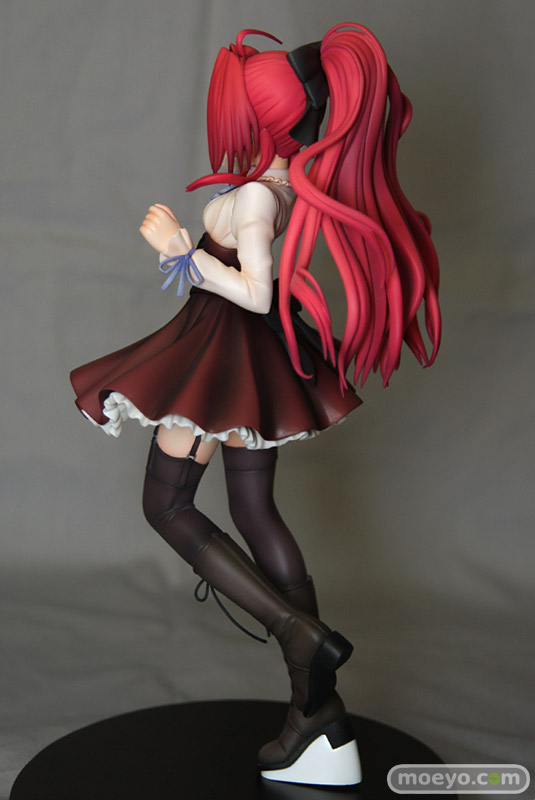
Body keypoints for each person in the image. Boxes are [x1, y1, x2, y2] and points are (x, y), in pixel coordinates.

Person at [70, 23, 440, 786]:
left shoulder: (255, 199)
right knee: (254, 512)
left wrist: (181, 252)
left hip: (221, 352)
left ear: (268, 119)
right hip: (253, 358)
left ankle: (295, 633)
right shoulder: (288, 188)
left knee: (168, 506)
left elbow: (256, 292)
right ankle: (317, 711)